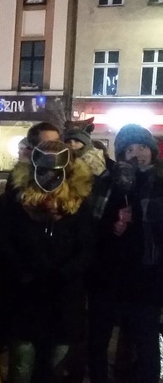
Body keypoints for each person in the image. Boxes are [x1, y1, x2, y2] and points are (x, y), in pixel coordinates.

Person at [0, 140, 93, 382]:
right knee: (22, 368)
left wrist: (63, 275)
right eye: (44, 169)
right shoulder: (13, 202)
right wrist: (24, 274)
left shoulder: (79, 204)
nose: (49, 176)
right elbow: (3, 243)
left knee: (56, 370)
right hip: (24, 301)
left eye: (55, 171)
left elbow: (88, 248)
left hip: (64, 304)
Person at [86, 124, 163, 383]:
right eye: (129, 149)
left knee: (146, 348)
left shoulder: (159, 184)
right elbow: (92, 228)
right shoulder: (108, 183)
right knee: (97, 342)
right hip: (107, 280)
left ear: (152, 151)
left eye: (142, 147)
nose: (136, 154)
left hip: (145, 282)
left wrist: (140, 216)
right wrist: (113, 227)